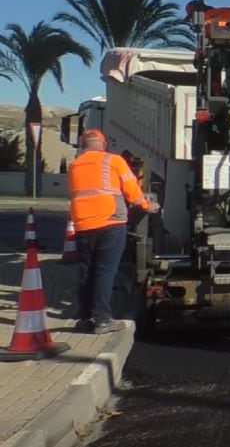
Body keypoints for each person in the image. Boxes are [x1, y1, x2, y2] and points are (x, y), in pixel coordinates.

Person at [68, 130, 159, 334]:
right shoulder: (113, 160)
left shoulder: (74, 165)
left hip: (83, 224)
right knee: (105, 271)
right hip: (110, 221)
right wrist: (146, 205)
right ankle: (103, 320)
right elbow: (131, 189)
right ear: (103, 143)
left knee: (86, 271)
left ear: (83, 144)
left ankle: (84, 318)